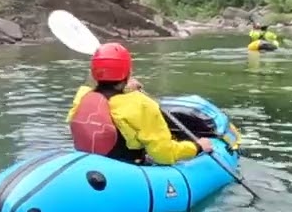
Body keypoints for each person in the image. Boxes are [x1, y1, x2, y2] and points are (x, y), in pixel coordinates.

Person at [67, 42, 213, 165]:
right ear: (128, 73)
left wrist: (125, 87)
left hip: (89, 164)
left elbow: (102, 93)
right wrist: (197, 147)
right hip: (127, 170)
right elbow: (163, 154)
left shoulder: (82, 96)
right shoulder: (141, 104)